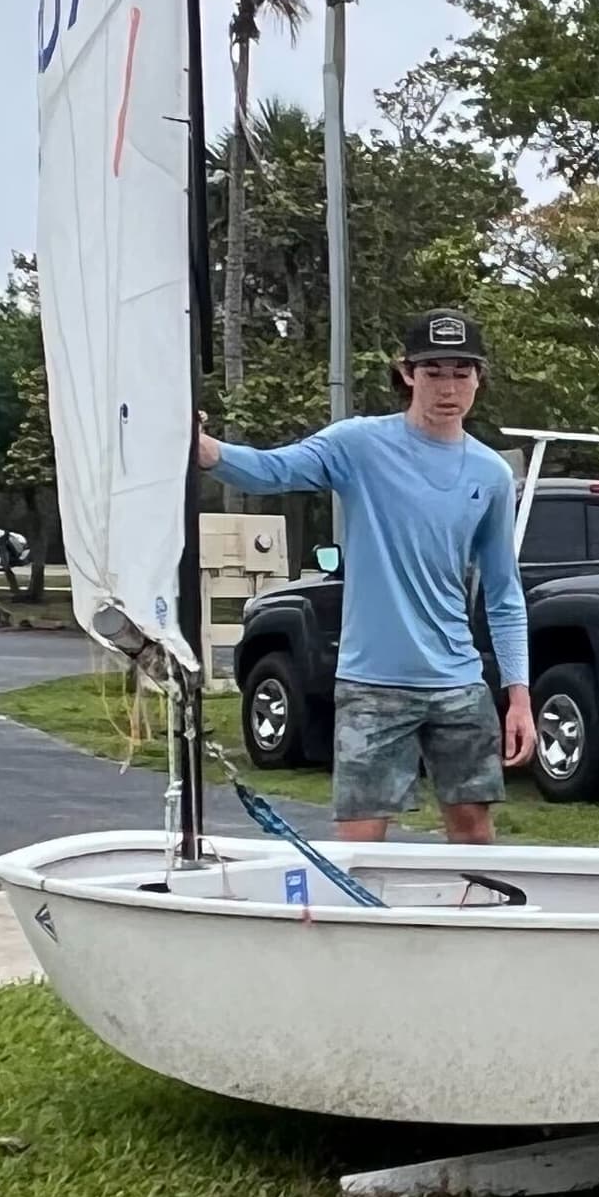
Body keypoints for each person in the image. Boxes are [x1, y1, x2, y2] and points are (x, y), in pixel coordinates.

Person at [196, 309, 532, 843]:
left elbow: (504, 593)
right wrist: (207, 450)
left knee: (473, 831)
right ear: (407, 374)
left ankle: (475, 902)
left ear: (479, 378)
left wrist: (520, 698)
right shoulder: (358, 445)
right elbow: (274, 469)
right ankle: (354, 904)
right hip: (372, 684)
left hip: (458, 683)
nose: (448, 388)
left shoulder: (491, 474)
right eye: (433, 372)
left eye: (461, 373)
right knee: (360, 838)